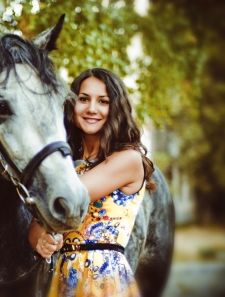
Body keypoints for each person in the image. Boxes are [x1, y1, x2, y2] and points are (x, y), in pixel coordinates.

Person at [28, 68, 156, 297]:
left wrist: (46, 220)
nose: (91, 109)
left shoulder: (128, 159)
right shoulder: (68, 167)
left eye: (103, 101)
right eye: (83, 99)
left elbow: (68, 198)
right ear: (72, 105)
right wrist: (42, 239)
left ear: (115, 108)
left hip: (104, 281)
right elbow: (36, 226)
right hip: (65, 278)